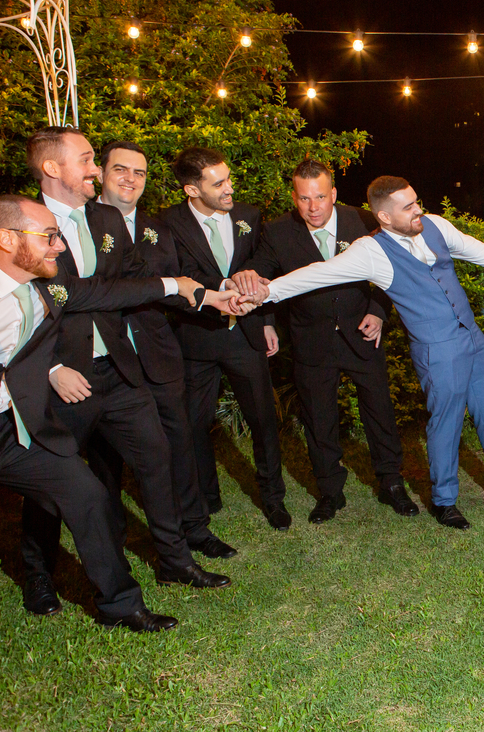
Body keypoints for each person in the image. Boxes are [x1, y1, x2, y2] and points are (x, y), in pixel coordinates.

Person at [236, 175, 484, 529]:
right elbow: (318, 274)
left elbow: (479, 250)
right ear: (385, 217)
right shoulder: (370, 251)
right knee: (446, 421)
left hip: (472, 336)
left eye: (416, 201)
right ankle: (444, 500)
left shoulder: (435, 226)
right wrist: (266, 293)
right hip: (437, 348)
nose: (418, 210)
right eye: (409, 207)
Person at [0, 195, 186, 632]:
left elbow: (107, 291)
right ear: (6, 239)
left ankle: (121, 606)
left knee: (88, 495)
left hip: (17, 431)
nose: (60, 246)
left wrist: (175, 285)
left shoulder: (48, 285)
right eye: (49, 236)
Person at [19, 129, 231, 619]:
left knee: (157, 458)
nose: (95, 170)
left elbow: (137, 280)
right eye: (88, 160)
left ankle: (174, 561)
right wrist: (51, 368)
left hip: (116, 370)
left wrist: (203, 295)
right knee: (51, 484)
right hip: (62, 379)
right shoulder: (24, 222)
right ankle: (38, 573)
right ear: (52, 168)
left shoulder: (106, 218)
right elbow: (66, 296)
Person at [233, 159, 416, 523]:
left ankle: (391, 483)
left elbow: (394, 268)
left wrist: (378, 312)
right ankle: (330, 491)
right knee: (319, 419)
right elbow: (261, 274)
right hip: (311, 340)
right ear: (294, 198)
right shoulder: (278, 231)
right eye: (304, 198)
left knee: (379, 412)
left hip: (362, 334)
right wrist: (262, 313)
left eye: (320, 197)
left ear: (333, 194)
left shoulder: (361, 220)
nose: (313, 207)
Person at [91, 140, 238, 560]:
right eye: (120, 170)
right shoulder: (81, 225)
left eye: (139, 173)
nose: (130, 179)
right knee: (105, 457)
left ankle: (195, 528)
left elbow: (178, 285)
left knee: (180, 443)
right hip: (105, 360)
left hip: (158, 354)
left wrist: (212, 299)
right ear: (101, 173)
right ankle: (113, 537)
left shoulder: (156, 229)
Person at [161, 147, 290, 531]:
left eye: (229, 178)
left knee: (263, 419)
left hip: (244, 336)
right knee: (194, 423)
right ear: (191, 190)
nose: (230, 188)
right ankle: (206, 495)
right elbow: (178, 273)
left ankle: (274, 498)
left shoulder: (249, 216)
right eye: (218, 183)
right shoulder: (168, 223)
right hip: (197, 336)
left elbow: (263, 269)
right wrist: (223, 286)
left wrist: (267, 321)